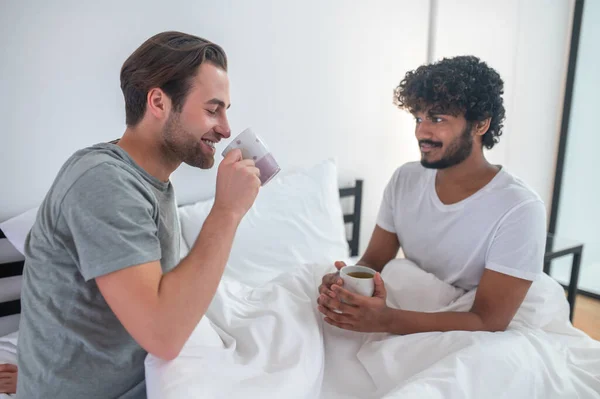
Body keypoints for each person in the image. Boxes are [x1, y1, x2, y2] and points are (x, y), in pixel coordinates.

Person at [15, 31, 261, 398]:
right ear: (159, 102)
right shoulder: (103, 182)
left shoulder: (151, 183)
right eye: (213, 109)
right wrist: (226, 211)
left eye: (226, 111)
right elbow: (163, 334)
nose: (226, 129)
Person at [317, 55, 547, 334]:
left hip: (474, 324)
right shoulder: (406, 178)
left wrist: (386, 320)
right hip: (413, 303)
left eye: (437, 119)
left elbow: (489, 321)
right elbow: (373, 262)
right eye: (418, 118)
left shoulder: (519, 208)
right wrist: (345, 282)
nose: (421, 131)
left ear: (480, 125)